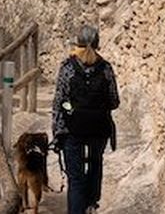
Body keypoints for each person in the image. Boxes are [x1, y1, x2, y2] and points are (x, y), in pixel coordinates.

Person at [51, 24, 120, 214]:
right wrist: (97, 107)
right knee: (95, 167)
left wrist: (70, 111)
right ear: (97, 44)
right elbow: (114, 101)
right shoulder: (106, 68)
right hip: (99, 129)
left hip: (73, 130)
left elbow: (61, 101)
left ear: (78, 43)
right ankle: (91, 204)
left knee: (75, 177)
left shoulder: (67, 67)